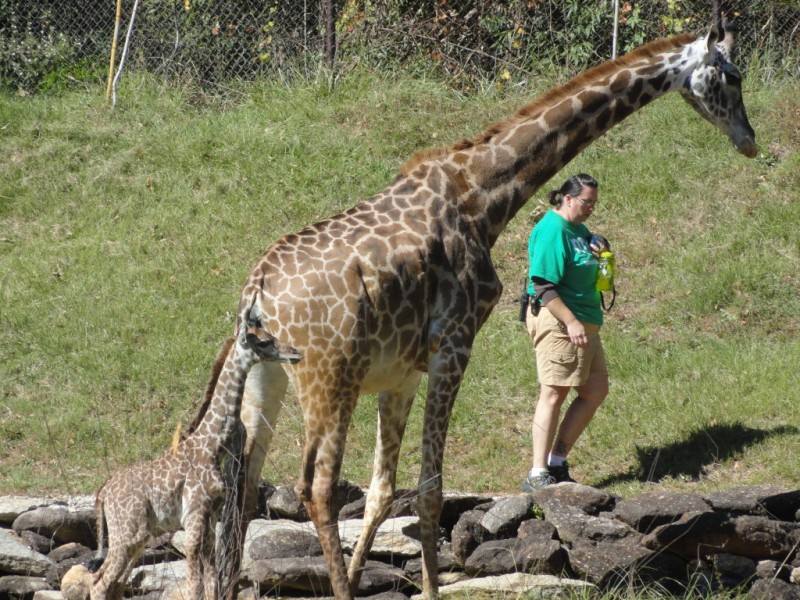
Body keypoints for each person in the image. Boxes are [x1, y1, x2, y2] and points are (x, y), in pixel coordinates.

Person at [522, 173, 610, 491]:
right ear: (568, 198)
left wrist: (597, 246)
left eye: (594, 204)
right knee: (553, 393)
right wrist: (571, 322)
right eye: (587, 202)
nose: (590, 209)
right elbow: (543, 285)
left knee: (595, 390)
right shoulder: (552, 229)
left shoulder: (577, 229)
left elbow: (582, 256)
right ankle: (537, 472)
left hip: (585, 322)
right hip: (561, 322)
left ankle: (556, 462)